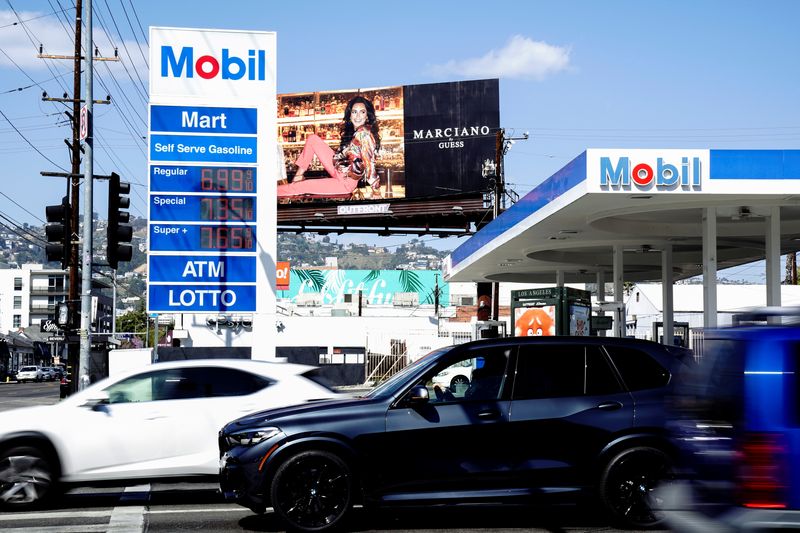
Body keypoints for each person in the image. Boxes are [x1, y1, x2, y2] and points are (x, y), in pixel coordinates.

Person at [278, 95, 381, 200]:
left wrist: (376, 190)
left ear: (367, 116)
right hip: (338, 170)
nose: (358, 116)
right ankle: (298, 176)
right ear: (350, 115)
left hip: (345, 183)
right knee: (313, 139)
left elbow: (369, 164)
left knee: (298, 187)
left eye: (362, 112)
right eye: (354, 112)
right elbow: (344, 156)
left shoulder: (364, 134)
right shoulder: (355, 133)